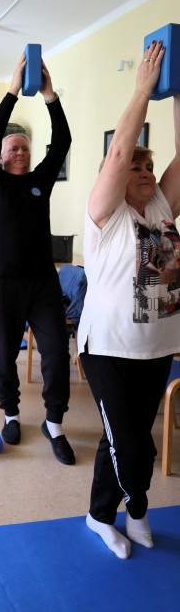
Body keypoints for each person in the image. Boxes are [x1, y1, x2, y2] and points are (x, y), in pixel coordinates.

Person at [78, 39, 180, 559]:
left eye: (148, 167)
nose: (141, 172)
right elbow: (118, 152)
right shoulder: (106, 213)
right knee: (133, 444)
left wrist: (178, 88)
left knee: (123, 436)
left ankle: (99, 515)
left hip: (157, 346)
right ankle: (136, 508)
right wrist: (143, 89)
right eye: (133, 167)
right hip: (108, 348)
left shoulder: (161, 207)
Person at [0, 52, 75, 464]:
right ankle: (11, 413)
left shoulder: (40, 182)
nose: (20, 151)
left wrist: (51, 97)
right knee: (3, 356)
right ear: (1, 157)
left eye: (24, 147)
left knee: (56, 351)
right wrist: (13, 90)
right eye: (13, 147)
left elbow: (64, 142)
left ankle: (54, 423)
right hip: (0, 283)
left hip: (41, 282)